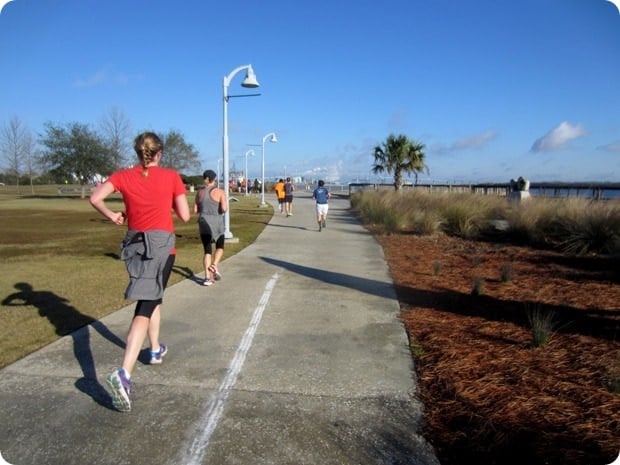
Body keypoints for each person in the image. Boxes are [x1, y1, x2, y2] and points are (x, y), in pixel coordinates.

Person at [89, 131, 190, 412]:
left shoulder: (122, 176)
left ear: (138, 153)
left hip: (134, 244)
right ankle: (124, 373)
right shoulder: (171, 176)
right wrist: (167, 199)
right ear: (159, 153)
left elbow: (95, 197)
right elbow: (184, 215)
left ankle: (155, 350)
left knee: (153, 297)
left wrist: (113, 216)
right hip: (160, 246)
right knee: (145, 306)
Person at [194, 169, 227, 286]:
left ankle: (207, 278)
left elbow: (195, 210)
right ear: (214, 179)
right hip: (216, 223)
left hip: (203, 222)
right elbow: (224, 209)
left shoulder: (199, 192)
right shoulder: (220, 192)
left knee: (207, 250)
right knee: (220, 246)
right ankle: (214, 264)